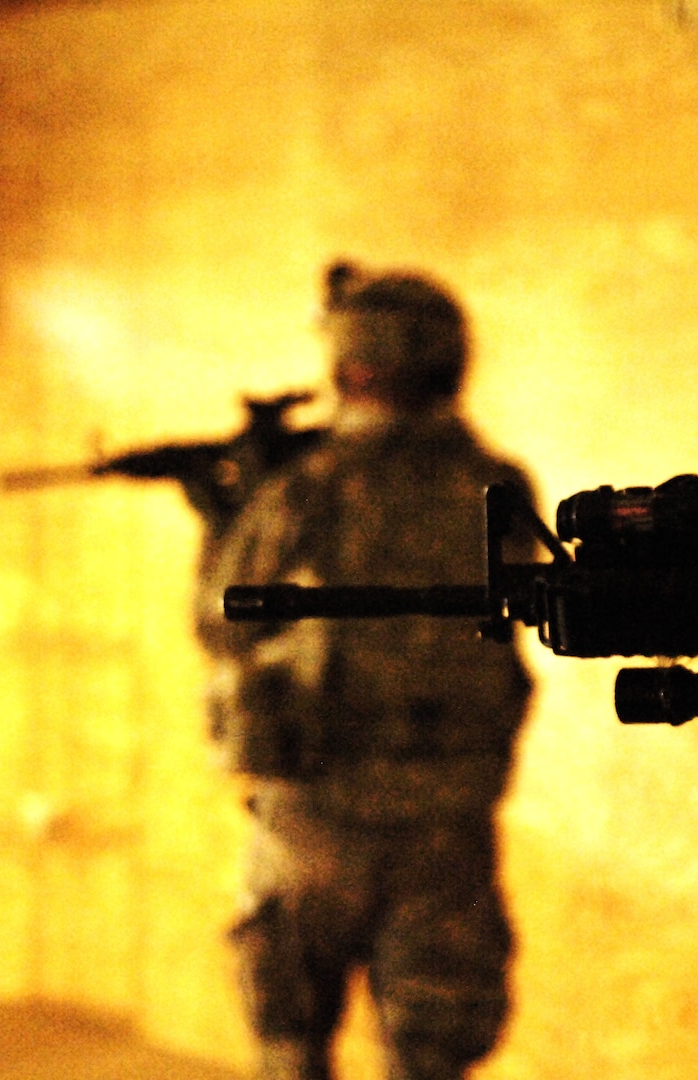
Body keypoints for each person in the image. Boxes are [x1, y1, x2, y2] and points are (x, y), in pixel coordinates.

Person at [196, 262, 536, 1080]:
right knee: (430, 1060)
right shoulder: (500, 488)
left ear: (348, 368)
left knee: (291, 1047)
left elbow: (221, 621)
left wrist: (225, 513)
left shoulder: (308, 491)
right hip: (447, 829)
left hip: (314, 824)